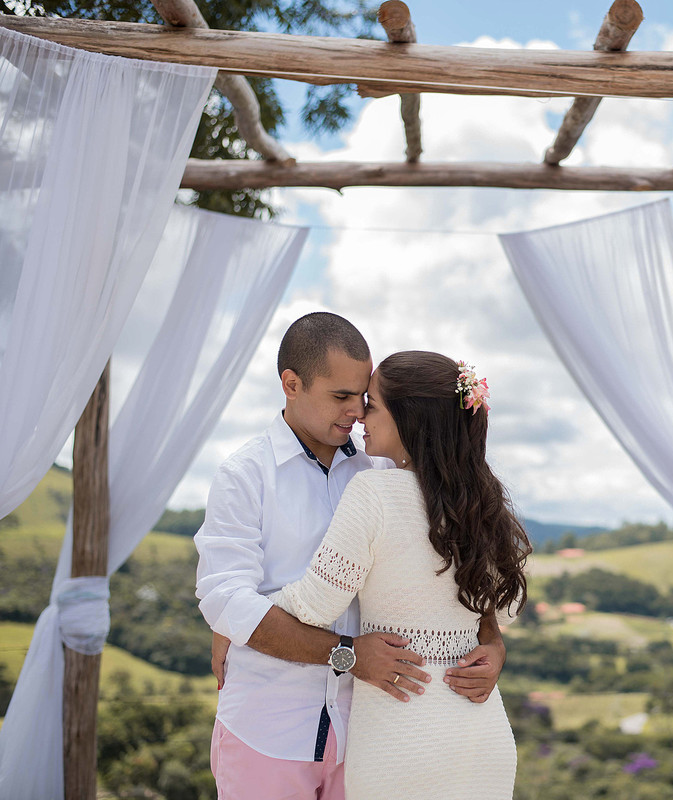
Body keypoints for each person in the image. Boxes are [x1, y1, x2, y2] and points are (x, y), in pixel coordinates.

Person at [195, 313, 508, 799]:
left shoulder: (385, 468)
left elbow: (459, 559)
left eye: (363, 397)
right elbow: (223, 595)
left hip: (371, 733)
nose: (357, 412)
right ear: (292, 384)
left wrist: (491, 641)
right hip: (270, 729)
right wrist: (338, 653)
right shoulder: (244, 475)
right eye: (341, 396)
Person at [271, 350, 530, 799]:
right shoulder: (485, 505)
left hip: (401, 741)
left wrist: (239, 620)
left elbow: (314, 606)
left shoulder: (374, 491)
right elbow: (497, 615)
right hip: (480, 737)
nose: (359, 416)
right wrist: (494, 648)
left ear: (409, 418)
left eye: (371, 404)